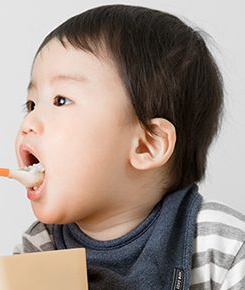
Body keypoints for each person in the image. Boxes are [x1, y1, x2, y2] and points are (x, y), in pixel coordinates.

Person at [13, 4, 245, 289]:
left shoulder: (222, 245)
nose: (29, 122)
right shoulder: (39, 249)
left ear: (147, 146)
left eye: (61, 100)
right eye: (31, 104)